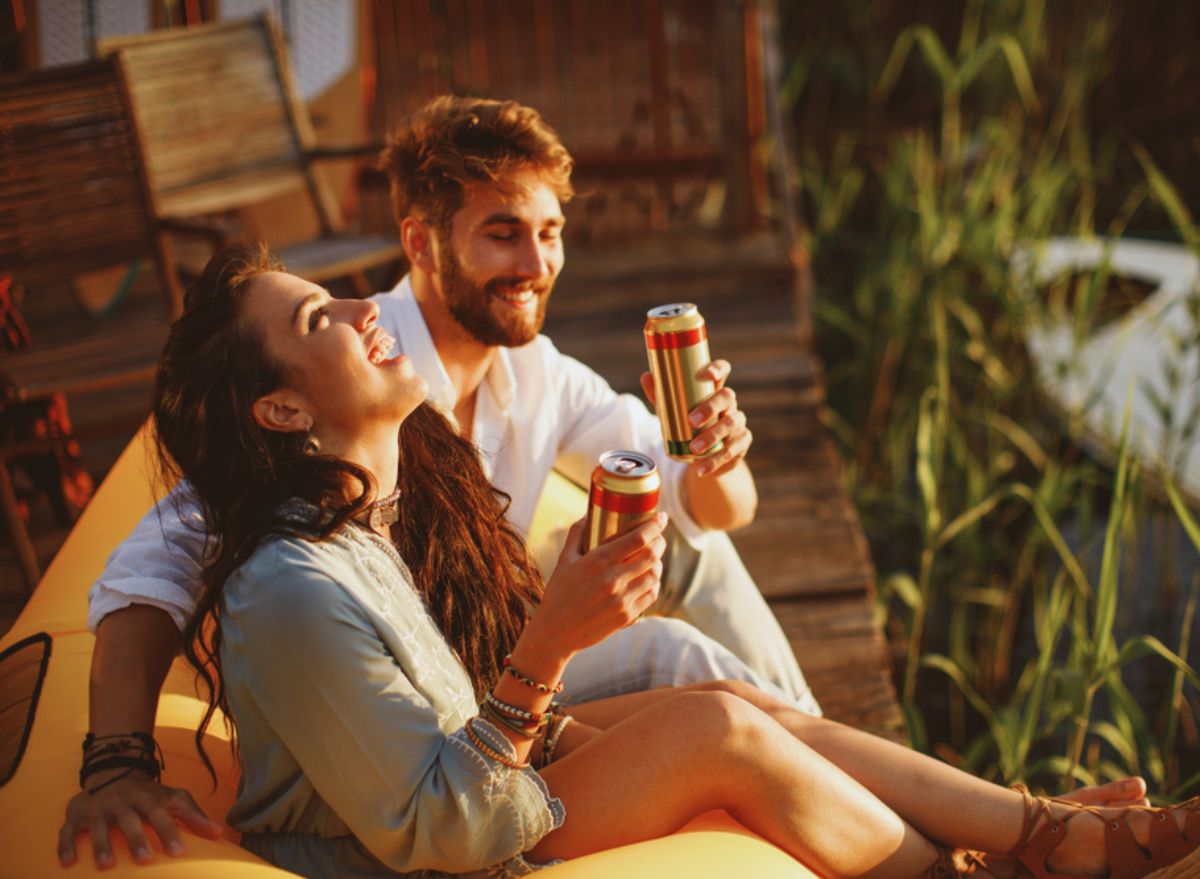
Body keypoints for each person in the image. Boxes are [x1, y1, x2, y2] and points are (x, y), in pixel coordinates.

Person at [58, 96, 1146, 867]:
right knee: (708, 713)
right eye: (501, 234)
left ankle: (1011, 824)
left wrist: (719, 459)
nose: (535, 263)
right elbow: (154, 564)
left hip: (468, 694)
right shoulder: (354, 406)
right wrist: (112, 758)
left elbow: (712, 512)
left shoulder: (532, 382)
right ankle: (1003, 841)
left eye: (550, 233)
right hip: (451, 743)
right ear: (422, 244)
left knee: (708, 634)